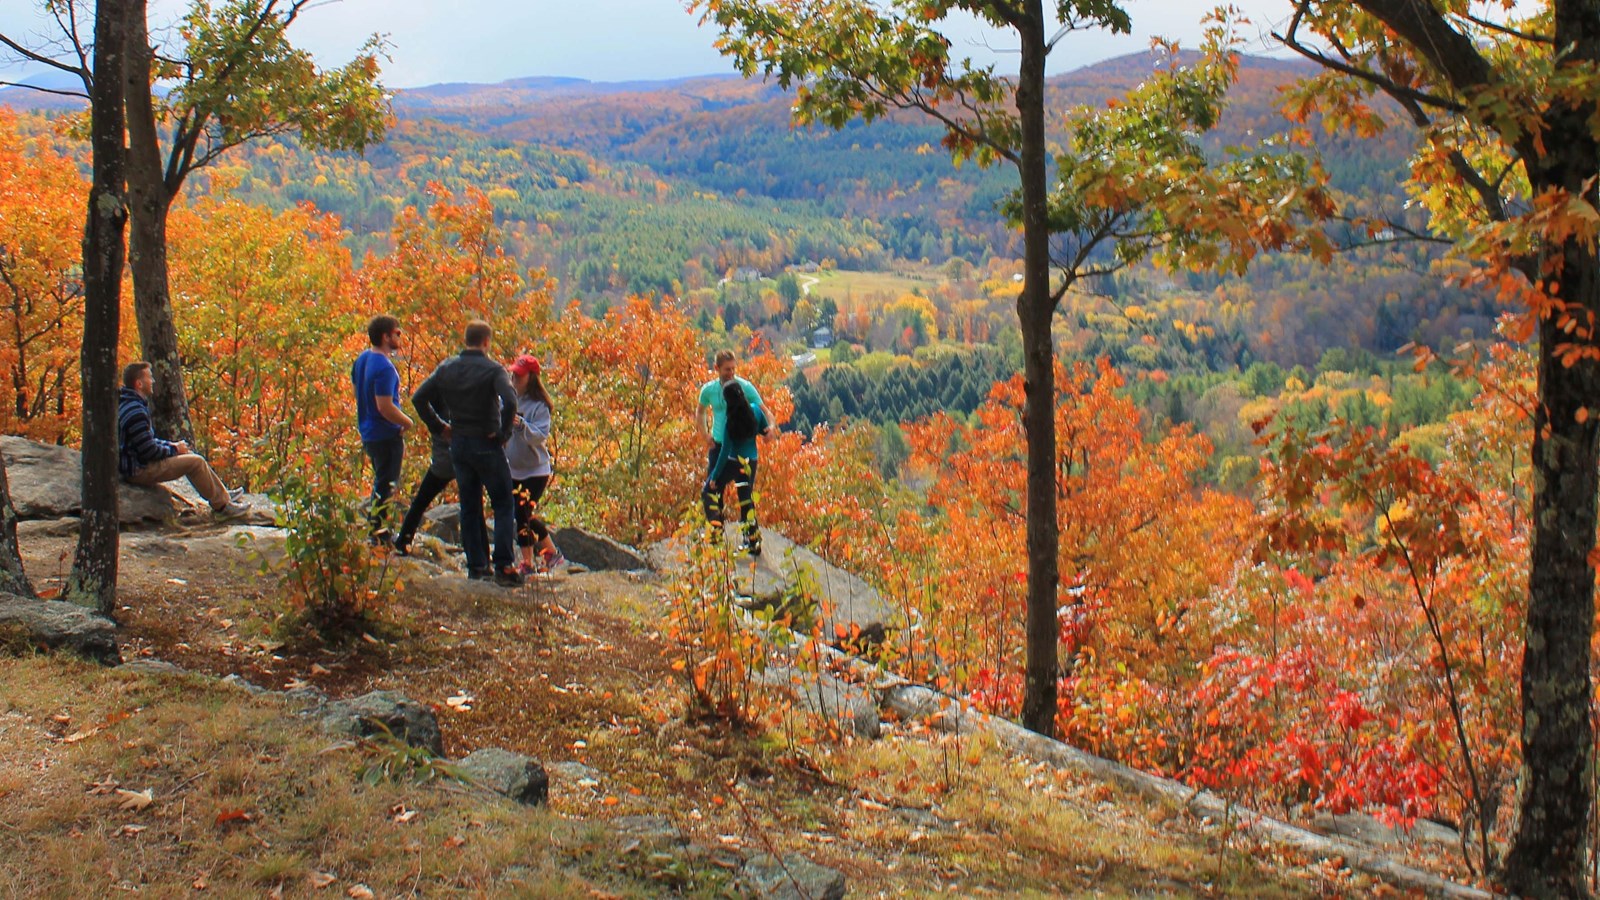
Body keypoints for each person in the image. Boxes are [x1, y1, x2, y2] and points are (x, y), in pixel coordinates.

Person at [411, 320, 522, 587]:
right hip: (486, 442)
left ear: (466, 340)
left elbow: (418, 398)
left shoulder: (447, 367)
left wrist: (439, 427)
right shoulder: (493, 370)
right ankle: (504, 565)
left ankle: (476, 566)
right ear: (486, 342)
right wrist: (503, 434)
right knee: (503, 504)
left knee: (470, 506)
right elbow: (511, 401)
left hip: (459, 442)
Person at [117, 362, 248, 519]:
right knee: (195, 462)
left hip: (137, 464)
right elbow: (148, 451)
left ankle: (223, 495)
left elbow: (146, 441)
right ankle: (222, 507)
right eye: (149, 378)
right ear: (139, 384)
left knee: (189, 455)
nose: (153, 381)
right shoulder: (135, 411)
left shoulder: (130, 404)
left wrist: (172, 446)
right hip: (139, 470)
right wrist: (174, 450)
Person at [696, 350, 774, 554]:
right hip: (734, 453)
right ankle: (737, 539)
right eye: (727, 369)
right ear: (717, 369)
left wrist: (771, 429)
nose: (731, 373)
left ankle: (721, 539)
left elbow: (765, 411)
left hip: (729, 455)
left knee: (712, 489)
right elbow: (701, 410)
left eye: (733, 369)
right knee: (733, 495)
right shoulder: (709, 390)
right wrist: (705, 435)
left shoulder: (744, 389)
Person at [351, 315, 413, 539]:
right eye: (397, 333)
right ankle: (379, 534)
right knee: (386, 485)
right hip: (385, 435)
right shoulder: (385, 367)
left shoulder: (362, 359)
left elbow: (357, 390)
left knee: (381, 481)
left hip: (368, 432)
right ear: (385, 336)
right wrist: (407, 422)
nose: (400, 336)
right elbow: (385, 406)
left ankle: (377, 530)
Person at [503, 354, 566, 575]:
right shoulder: (508, 399)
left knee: (522, 513)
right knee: (522, 514)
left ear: (531, 378)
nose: (514, 379)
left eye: (519, 376)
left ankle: (528, 564)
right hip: (514, 468)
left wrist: (521, 424)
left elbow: (539, 436)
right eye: (513, 375)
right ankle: (550, 553)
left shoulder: (540, 406)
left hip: (536, 470)